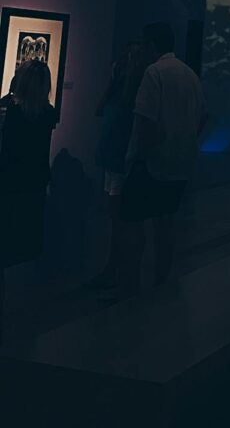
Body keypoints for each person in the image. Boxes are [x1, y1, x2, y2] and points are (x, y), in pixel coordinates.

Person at [118, 22, 207, 296]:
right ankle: (161, 283)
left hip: (152, 162)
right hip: (181, 163)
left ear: (151, 45)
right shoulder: (190, 75)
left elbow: (145, 121)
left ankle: (129, 286)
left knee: (132, 222)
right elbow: (202, 117)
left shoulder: (153, 73)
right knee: (166, 223)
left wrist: (139, 156)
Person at [0, 60, 57, 342]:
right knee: (25, 243)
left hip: (9, 184)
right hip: (34, 184)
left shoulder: (10, 110)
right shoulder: (48, 113)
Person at [88, 41, 147, 289]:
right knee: (116, 218)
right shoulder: (124, 94)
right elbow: (100, 109)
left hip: (119, 160)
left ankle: (120, 272)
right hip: (114, 159)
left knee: (120, 219)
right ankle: (117, 270)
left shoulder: (131, 97)